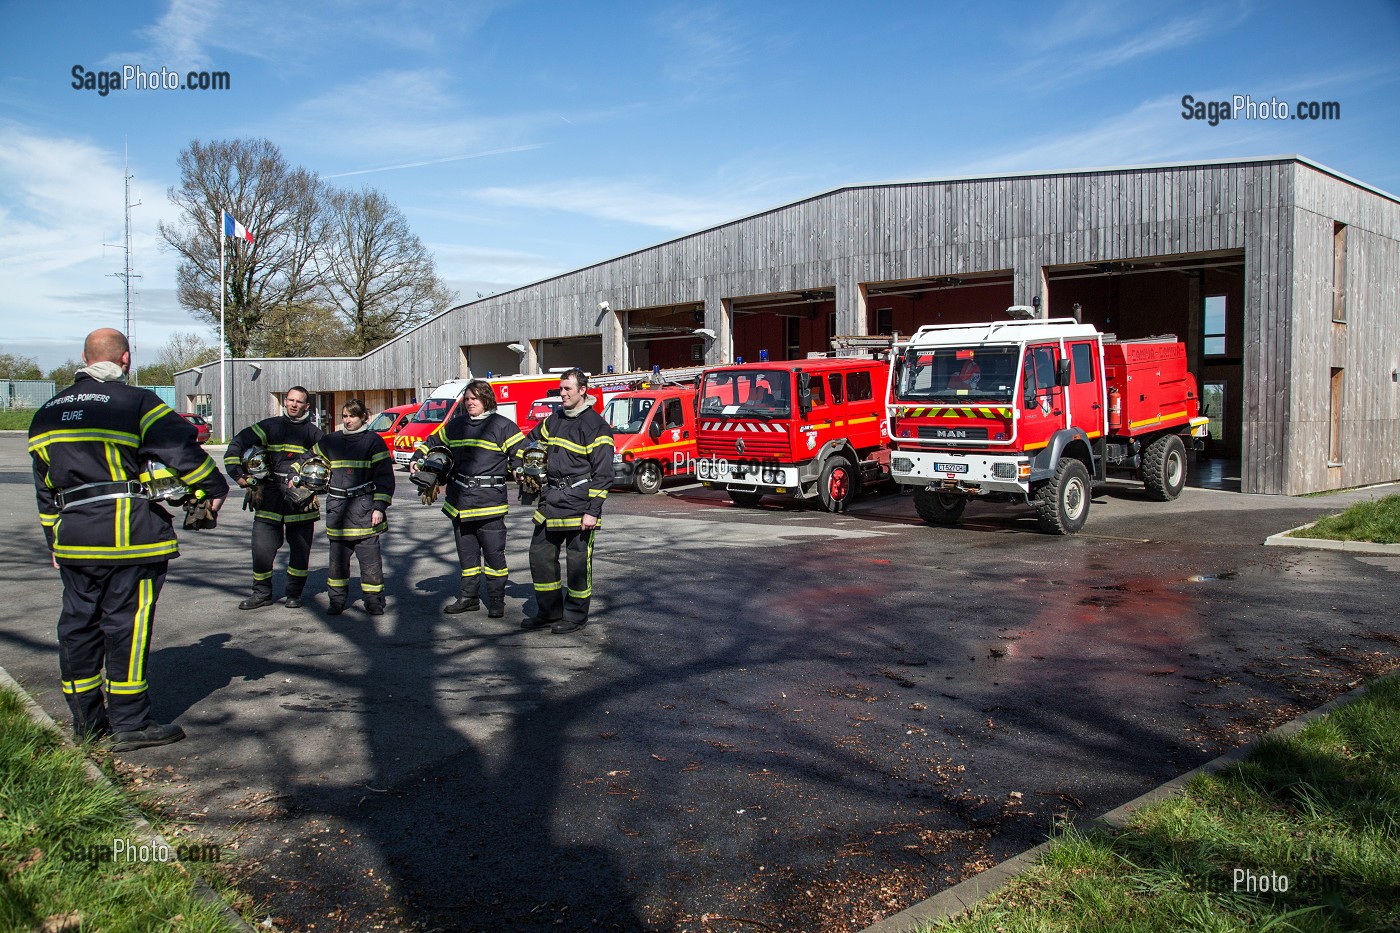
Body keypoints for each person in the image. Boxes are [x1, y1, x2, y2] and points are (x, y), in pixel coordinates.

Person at [28, 328, 228, 751]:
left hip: (74, 539)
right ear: (125, 360)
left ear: (83, 358)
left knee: (78, 626)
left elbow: (45, 489)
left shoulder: (45, 412)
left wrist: (53, 541)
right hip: (128, 537)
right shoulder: (135, 402)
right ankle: (130, 723)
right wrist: (213, 489)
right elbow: (183, 451)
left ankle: (86, 723)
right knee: (127, 626)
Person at [412, 380, 524, 618]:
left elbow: (520, 455)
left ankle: (496, 601)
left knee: (494, 555)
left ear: (487, 399)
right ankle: (469, 598)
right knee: (468, 556)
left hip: (489, 504)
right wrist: (417, 457)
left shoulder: (503, 426)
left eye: (475, 398)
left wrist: (520, 471)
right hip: (460, 502)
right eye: (467, 398)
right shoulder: (456, 425)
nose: (470, 402)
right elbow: (431, 443)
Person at [519, 369, 614, 634]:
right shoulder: (554, 420)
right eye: (560, 389)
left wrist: (593, 511)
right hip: (550, 501)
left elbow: (604, 474)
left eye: (567, 389)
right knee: (539, 556)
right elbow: (530, 441)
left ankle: (574, 616)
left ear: (583, 390)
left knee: (577, 565)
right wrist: (525, 464)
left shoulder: (596, 426)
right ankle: (549, 613)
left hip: (579, 504)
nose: (562, 394)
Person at [224, 386, 324, 609]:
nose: (294, 405)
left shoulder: (314, 434)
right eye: (290, 400)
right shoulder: (268, 427)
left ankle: (294, 594)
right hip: (268, 495)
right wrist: (239, 477)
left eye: (299, 402)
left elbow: (329, 462)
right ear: (284, 401)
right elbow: (237, 445)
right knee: (262, 548)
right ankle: (261, 593)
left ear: (307, 406)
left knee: (300, 550)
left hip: (301, 499)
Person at [309, 399, 395, 616]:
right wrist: (295, 475)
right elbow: (307, 460)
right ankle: (336, 600)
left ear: (363, 417)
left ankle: (373, 601)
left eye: (352, 416)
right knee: (337, 562)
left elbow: (385, 477)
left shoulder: (374, 442)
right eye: (344, 416)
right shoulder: (330, 441)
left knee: (370, 562)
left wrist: (379, 507)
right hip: (338, 510)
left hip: (365, 508)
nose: (347, 421)